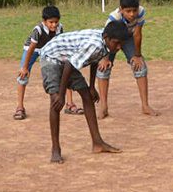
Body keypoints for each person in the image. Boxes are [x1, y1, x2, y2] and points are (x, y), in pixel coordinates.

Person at [38, 23, 129, 162]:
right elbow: (69, 64)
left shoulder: (106, 42)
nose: (118, 47)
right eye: (116, 43)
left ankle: (97, 143)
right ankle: (55, 149)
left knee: (87, 96)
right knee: (56, 100)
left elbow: (94, 59)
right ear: (106, 37)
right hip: (52, 57)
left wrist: (92, 87)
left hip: (68, 59)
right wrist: (62, 95)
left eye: (121, 44)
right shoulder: (95, 44)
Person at [95, 0, 159, 118]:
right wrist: (105, 58)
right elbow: (105, 39)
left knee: (140, 66)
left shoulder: (141, 12)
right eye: (128, 11)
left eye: (134, 10)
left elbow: (137, 34)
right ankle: (103, 106)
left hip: (128, 38)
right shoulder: (113, 18)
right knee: (103, 68)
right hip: (113, 41)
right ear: (121, 9)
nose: (132, 14)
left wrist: (137, 55)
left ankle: (145, 105)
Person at [14, 6, 72, 120]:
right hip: (33, 49)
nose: (54, 25)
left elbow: (60, 44)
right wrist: (25, 67)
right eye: (51, 22)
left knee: (66, 70)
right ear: (44, 21)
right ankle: (20, 107)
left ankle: (70, 104)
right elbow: (31, 48)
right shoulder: (38, 30)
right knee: (23, 75)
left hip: (50, 48)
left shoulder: (60, 28)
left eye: (56, 22)